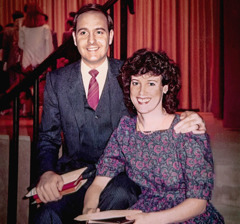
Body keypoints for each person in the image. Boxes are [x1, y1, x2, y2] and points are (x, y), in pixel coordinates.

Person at [34, 4, 206, 224]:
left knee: (118, 198)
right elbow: (48, 138)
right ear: (75, 39)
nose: (92, 40)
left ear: (111, 36)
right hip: (73, 177)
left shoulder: (130, 75)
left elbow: (158, 107)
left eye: (99, 31)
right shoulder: (56, 81)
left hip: (121, 177)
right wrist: (47, 171)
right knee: (47, 214)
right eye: (83, 33)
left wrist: (189, 118)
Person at [83, 49, 224, 223]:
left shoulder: (187, 130)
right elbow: (98, 183)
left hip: (185, 215)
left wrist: (149, 220)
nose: (141, 92)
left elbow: (199, 203)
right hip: (144, 210)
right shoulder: (126, 130)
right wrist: (89, 209)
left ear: (165, 87)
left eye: (151, 83)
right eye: (135, 83)